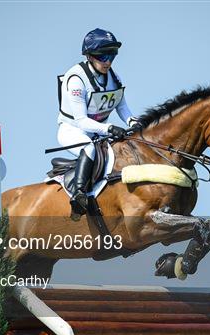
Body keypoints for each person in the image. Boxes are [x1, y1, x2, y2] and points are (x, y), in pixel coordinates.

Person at [57, 28, 142, 216]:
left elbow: (122, 108)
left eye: (112, 55)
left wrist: (132, 121)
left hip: (99, 132)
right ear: (90, 56)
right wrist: (110, 128)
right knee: (88, 148)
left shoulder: (114, 78)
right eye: (103, 57)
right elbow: (81, 121)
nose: (109, 61)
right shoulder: (76, 79)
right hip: (72, 130)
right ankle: (79, 195)